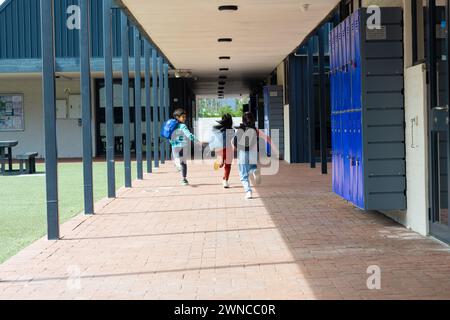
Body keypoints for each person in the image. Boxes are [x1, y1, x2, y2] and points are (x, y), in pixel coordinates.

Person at [233, 112, 276, 200]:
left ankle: (248, 192)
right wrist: (275, 150)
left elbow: (234, 142)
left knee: (243, 175)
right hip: (253, 152)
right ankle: (255, 170)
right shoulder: (255, 130)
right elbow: (267, 138)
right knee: (252, 166)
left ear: (243, 120)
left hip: (243, 153)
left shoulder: (239, 129)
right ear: (253, 120)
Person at [170, 108, 202, 186]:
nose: (184, 118)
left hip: (174, 146)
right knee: (183, 163)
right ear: (177, 117)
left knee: (176, 159)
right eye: (183, 117)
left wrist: (171, 142)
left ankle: (178, 166)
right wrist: (196, 140)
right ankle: (184, 179)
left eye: (185, 117)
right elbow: (188, 134)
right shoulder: (182, 126)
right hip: (183, 146)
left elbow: (168, 135)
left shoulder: (171, 125)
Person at [212, 113, 234, 189]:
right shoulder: (232, 130)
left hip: (220, 150)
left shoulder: (218, 131)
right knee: (227, 166)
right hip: (228, 150)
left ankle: (219, 163)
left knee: (222, 164)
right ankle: (225, 180)